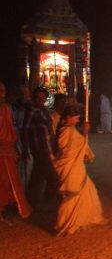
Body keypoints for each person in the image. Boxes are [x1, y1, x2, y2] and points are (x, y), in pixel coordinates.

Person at [52, 105, 105, 236]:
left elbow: (76, 144)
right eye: (75, 118)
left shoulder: (70, 128)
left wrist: (83, 135)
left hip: (76, 166)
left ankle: (82, 219)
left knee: (87, 190)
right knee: (72, 195)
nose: (77, 121)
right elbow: (67, 150)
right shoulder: (65, 130)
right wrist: (85, 133)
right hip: (70, 167)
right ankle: (64, 224)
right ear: (68, 118)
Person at [22, 87, 60, 207]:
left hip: (47, 146)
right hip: (39, 148)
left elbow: (49, 130)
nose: (40, 99)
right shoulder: (32, 111)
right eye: (38, 97)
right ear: (34, 98)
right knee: (52, 176)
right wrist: (25, 148)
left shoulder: (45, 110)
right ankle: (64, 202)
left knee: (37, 176)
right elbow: (25, 130)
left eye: (43, 97)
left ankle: (30, 202)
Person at [0, 82, 31, 219]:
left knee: (8, 179)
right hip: (5, 149)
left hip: (7, 149)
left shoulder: (6, 108)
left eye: (4, 91)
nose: (3, 94)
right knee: (7, 180)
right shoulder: (5, 108)